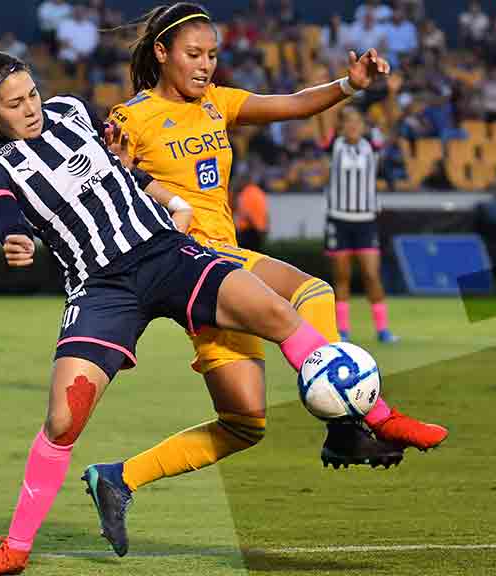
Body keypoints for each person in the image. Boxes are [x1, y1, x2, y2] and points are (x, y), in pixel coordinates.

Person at [0, 51, 399, 576]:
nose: (33, 107)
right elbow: (4, 209)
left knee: (277, 311)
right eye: (16, 104)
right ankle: (14, 549)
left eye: (33, 93)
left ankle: (375, 419)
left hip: (166, 253)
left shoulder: (72, 111)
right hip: (100, 287)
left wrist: (168, 200)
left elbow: (121, 172)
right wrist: (13, 237)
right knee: (63, 420)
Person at [96, 3, 446, 556]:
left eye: (212, 54)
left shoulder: (216, 102)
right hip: (190, 266)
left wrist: (348, 85)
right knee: (314, 291)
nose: (206, 65)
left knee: (243, 424)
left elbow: (293, 106)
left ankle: (118, 477)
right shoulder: (131, 117)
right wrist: (133, 178)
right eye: (193, 54)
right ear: (161, 53)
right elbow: (109, 186)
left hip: (226, 259)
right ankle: (356, 423)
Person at [325, 106, 397, 342]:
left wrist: (392, 96)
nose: (353, 126)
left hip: (366, 220)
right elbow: (320, 120)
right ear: (341, 127)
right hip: (339, 219)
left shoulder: (371, 146)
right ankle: (343, 331)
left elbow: (391, 124)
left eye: (357, 122)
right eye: (348, 122)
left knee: (371, 275)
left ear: (363, 126)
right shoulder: (334, 145)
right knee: (342, 277)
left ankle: (383, 329)